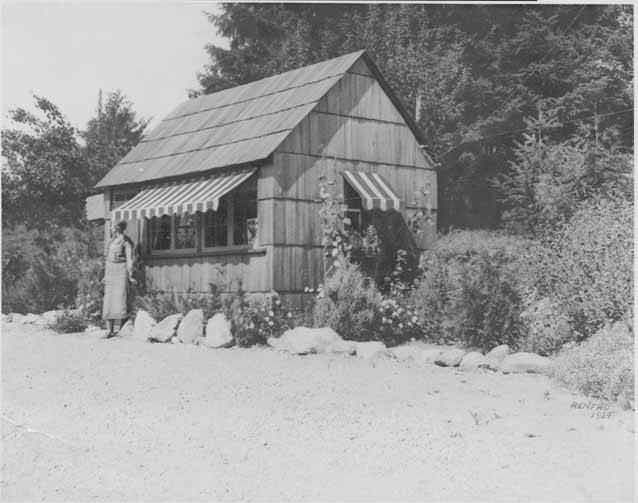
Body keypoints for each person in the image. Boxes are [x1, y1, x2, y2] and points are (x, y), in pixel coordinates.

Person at [102, 221, 136, 338]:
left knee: (119, 297)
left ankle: (118, 329)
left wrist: (130, 274)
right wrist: (105, 275)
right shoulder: (111, 241)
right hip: (110, 270)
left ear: (118, 228)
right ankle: (108, 329)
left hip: (120, 269)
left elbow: (129, 258)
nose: (111, 229)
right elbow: (107, 258)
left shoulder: (126, 241)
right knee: (109, 298)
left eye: (113, 227)